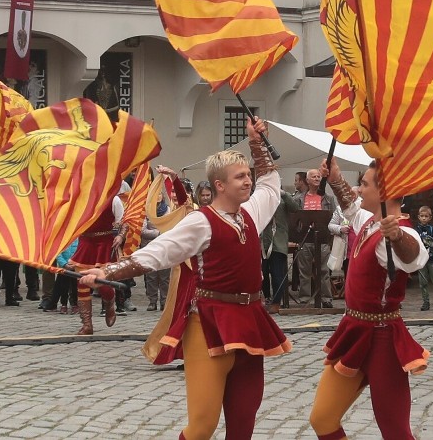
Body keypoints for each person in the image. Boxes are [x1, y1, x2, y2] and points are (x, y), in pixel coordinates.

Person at [80, 117, 291, 440]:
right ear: (219, 185)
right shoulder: (201, 222)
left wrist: (256, 141)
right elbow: (158, 252)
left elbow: (271, 184)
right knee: (201, 427)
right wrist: (108, 271)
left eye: (248, 175)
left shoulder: (251, 213)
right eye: (240, 177)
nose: (248, 181)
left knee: (244, 422)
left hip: (249, 321)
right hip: (208, 324)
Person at [309, 158, 429, 440]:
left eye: (364, 184)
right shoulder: (368, 220)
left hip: (384, 340)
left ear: (386, 191)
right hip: (353, 332)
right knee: (322, 419)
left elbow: (413, 258)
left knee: (395, 431)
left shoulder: (405, 231)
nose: (359, 190)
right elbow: (351, 207)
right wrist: (336, 178)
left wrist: (397, 235)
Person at [69, 187, 125, 335]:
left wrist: (120, 236)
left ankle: (109, 303)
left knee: (104, 284)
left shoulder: (113, 199)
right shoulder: (79, 199)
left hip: (105, 243)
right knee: (82, 283)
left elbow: (125, 221)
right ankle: (87, 325)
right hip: (85, 243)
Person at [296, 168, 336, 307]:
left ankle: (326, 299)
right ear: (307, 180)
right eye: (314, 177)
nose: (317, 179)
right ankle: (304, 298)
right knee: (304, 271)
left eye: (319, 176)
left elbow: (335, 217)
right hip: (305, 239)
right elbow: (295, 219)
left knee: (324, 270)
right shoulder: (299, 199)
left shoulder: (328, 199)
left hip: (323, 239)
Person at [261, 186, 302, 314]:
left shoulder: (283, 199)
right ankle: (266, 298)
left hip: (278, 242)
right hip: (263, 242)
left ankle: (276, 302)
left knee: (277, 273)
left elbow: (295, 208)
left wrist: (283, 194)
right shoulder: (260, 199)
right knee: (262, 273)